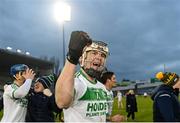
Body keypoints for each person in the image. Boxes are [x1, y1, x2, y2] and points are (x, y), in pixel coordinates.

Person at [55, 31, 110, 122]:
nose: (99, 57)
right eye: (94, 53)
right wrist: (72, 57)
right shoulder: (76, 82)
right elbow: (62, 102)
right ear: (83, 57)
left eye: (102, 55)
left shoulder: (102, 87)